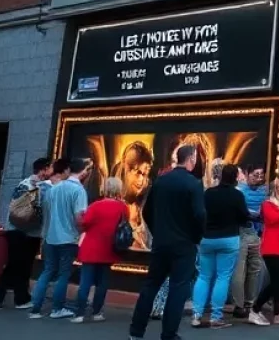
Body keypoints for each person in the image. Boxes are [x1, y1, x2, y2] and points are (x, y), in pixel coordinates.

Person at [129, 144, 207, 340]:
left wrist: (158, 232)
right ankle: (169, 334)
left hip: (161, 243)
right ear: (191, 159)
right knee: (178, 289)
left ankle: (136, 332)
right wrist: (196, 237)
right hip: (184, 245)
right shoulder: (194, 184)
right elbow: (200, 214)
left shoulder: (161, 181)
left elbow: (146, 212)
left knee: (150, 286)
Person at [30, 157, 90, 320]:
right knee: (63, 275)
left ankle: (35, 308)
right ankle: (57, 309)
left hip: (50, 237)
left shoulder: (54, 189)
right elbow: (79, 217)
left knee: (47, 271)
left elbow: (46, 213)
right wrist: (82, 231)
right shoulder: (79, 191)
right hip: (68, 238)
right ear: (83, 172)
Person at [0, 157, 54, 310]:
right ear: (44, 169)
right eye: (51, 167)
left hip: (20, 231)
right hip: (24, 232)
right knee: (20, 266)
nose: (53, 171)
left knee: (18, 265)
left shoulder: (26, 184)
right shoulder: (35, 186)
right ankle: (19, 299)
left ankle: (3, 296)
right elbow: (35, 210)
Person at [191, 163, 248, 327]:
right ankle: (216, 316)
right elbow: (244, 218)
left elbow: (200, 213)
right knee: (223, 277)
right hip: (229, 238)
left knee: (203, 276)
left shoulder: (209, 193)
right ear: (236, 177)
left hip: (207, 238)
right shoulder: (237, 196)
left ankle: (197, 314)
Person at [71, 176, 128, 322]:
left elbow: (85, 224)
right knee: (103, 282)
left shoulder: (96, 205)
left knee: (85, 282)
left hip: (91, 247)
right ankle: (97, 312)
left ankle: (79, 313)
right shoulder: (123, 207)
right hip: (109, 248)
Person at [249, 177, 279, 325]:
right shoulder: (267, 204)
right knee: (277, 282)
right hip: (272, 247)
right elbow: (272, 219)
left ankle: (278, 313)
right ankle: (255, 309)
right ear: (274, 190)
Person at [233, 165, 267, 319]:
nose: (258, 178)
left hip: (257, 234)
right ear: (246, 174)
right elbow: (240, 211)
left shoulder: (264, 192)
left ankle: (249, 302)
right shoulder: (239, 191)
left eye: (261, 175)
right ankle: (239, 305)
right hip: (242, 232)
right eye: (255, 175)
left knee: (254, 268)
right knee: (240, 270)